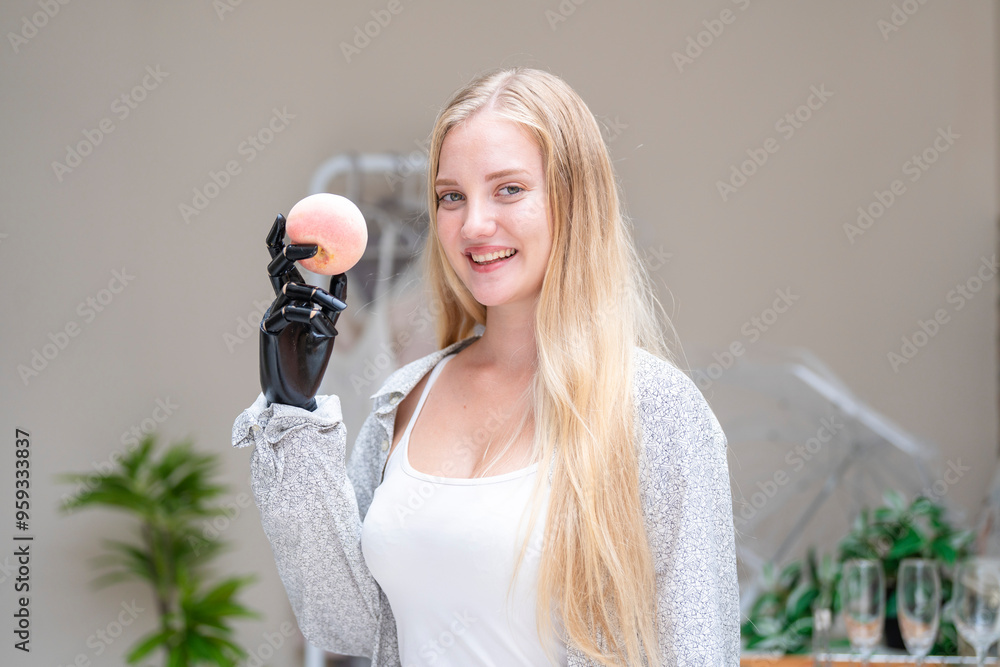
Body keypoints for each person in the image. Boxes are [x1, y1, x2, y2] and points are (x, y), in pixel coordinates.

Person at [233, 67, 739, 666]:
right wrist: (293, 411)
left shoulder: (656, 409)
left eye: (509, 189)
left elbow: (699, 649)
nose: (473, 224)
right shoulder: (407, 399)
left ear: (576, 202)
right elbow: (346, 622)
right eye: (452, 196)